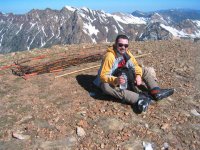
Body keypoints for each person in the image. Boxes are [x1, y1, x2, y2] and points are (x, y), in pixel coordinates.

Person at [93, 34, 174, 112]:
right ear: (115, 44)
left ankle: (156, 91)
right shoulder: (110, 56)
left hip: (122, 75)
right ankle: (138, 99)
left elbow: (135, 65)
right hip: (111, 79)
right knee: (105, 87)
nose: (123, 47)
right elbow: (103, 76)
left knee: (143, 70)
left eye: (126, 45)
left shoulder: (127, 53)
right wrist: (116, 80)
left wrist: (138, 75)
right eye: (120, 45)